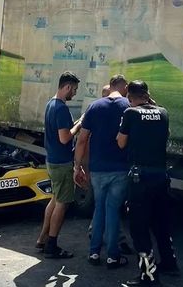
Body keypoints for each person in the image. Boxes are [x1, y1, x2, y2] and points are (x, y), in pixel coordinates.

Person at [117, 80, 178, 286]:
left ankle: (148, 275)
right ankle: (169, 263)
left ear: (129, 97)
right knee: (161, 222)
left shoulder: (130, 113)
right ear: (147, 93)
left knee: (139, 227)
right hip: (161, 176)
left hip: (140, 178)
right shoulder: (163, 112)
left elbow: (121, 141)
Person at [74, 74, 130, 269]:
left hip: (98, 169)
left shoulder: (95, 106)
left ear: (111, 85)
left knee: (99, 209)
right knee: (113, 210)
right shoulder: (129, 107)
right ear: (123, 86)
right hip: (120, 168)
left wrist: (77, 166)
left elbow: (82, 139)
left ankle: (94, 252)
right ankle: (113, 256)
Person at [36, 71, 83, 259]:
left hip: (52, 160)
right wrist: (79, 126)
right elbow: (65, 138)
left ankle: (42, 239)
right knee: (62, 204)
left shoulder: (51, 104)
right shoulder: (61, 108)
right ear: (68, 87)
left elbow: (62, 130)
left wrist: (79, 120)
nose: (75, 93)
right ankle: (52, 245)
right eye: (75, 90)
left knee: (55, 199)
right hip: (62, 163)